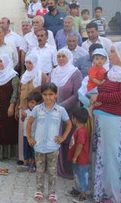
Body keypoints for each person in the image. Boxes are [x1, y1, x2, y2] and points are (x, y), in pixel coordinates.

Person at [89, 42, 121, 203]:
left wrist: (99, 99)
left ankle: (118, 195)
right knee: (105, 158)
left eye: (113, 52)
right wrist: (99, 100)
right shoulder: (111, 72)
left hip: (114, 120)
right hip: (102, 118)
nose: (109, 55)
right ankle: (106, 193)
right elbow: (103, 89)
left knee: (114, 158)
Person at [26, 83, 72, 202]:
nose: (48, 97)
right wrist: (29, 137)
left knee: (52, 170)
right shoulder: (37, 109)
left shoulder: (60, 110)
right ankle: (39, 190)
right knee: (40, 170)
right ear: (42, 95)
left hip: (53, 146)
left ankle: (52, 192)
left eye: (51, 94)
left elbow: (69, 124)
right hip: (39, 145)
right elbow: (29, 123)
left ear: (56, 95)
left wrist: (63, 137)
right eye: (45, 94)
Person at [48, 48, 83, 179]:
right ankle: (54, 167)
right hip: (53, 113)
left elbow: (76, 95)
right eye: (59, 56)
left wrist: (60, 107)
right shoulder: (53, 72)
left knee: (67, 140)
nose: (61, 59)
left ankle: (67, 169)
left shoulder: (75, 73)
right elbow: (47, 89)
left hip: (68, 113)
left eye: (64, 56)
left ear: (69, 57)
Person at [0, 55, 19, 159]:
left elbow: (15, 91)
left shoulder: (13, 76)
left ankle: (6, 154)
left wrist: (12, 105)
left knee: (6, 127)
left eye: (1, 61)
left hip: (7, 105)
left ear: (6, 62)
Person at [67, 107, 90, 202]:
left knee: (81, 176)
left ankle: (83, 194)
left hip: (81, 159)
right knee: (76, 175)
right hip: (77, 159)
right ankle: (78, 189)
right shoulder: (79, 129)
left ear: (75, 119)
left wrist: (75, 156)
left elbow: (80, 145)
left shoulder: (81, 131)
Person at [19, 91, 42, 173]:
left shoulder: (39, 113)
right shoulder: (26, 111)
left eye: (33, 102)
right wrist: (22, 116)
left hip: (34, 136)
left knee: (33, 151)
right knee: (26, 149)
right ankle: (25, 164)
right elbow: (22, 120)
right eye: (29, 102)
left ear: (38, 103)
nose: (30, 104)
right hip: (26, 135)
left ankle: (33, 165)